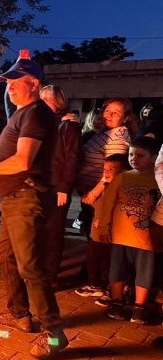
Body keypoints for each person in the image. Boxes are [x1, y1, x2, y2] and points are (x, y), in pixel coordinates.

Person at [0, 51, 68, 357]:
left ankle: (54, 334)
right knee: (4, 258)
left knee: (30, 267)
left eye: (15, 82)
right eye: (7, 82)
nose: (9, 87)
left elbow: (23, 160)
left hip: (25, 197)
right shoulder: (24, 111)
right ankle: (20, 313)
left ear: (33, 84)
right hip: (12, 200)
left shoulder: (35, 114)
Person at [74, 99, 134, 298]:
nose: (108, 115)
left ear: (125, 118)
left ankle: (104, 284)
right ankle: (98, 279)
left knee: (100, 239)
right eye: (107, 110)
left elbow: (111, 170)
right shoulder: (104, 132)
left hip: (101, 196)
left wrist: (94, 193)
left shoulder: (119, 136)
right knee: (94, 236)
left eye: (115, 113)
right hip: (92, 193)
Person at [98, 136, 161, 324]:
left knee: (145, 273)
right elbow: (107, 204)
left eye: (140, 155)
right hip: (121, 236)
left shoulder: (159, 180)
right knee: (117, 270)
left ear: (154, 157)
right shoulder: (123, 177)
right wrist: (103, 226)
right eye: (131, 154)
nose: (134, 159)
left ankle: (139, 308)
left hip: (147, 239)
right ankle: (116, 303)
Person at [40, 84, 81, 288]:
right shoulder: (52, 123)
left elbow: (73, 158)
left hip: (57, 187)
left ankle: (50, 277)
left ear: (59, 102)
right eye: (42, 98)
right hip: (45, 186)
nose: (44, 102)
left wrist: (65, 187)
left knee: (54, 233)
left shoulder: (68, 126)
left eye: (48, 98)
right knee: (44, 231)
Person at [76, 154, 130, 307]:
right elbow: (87, 199)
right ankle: (95, 285)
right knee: (92, 260)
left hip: (112, 235)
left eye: (111, 169)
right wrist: (101, 182)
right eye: (104, 169)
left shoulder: (122, 190)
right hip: (96, 234)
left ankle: (111, 291)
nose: (106, 172)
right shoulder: (104, 188)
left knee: (110, 265)